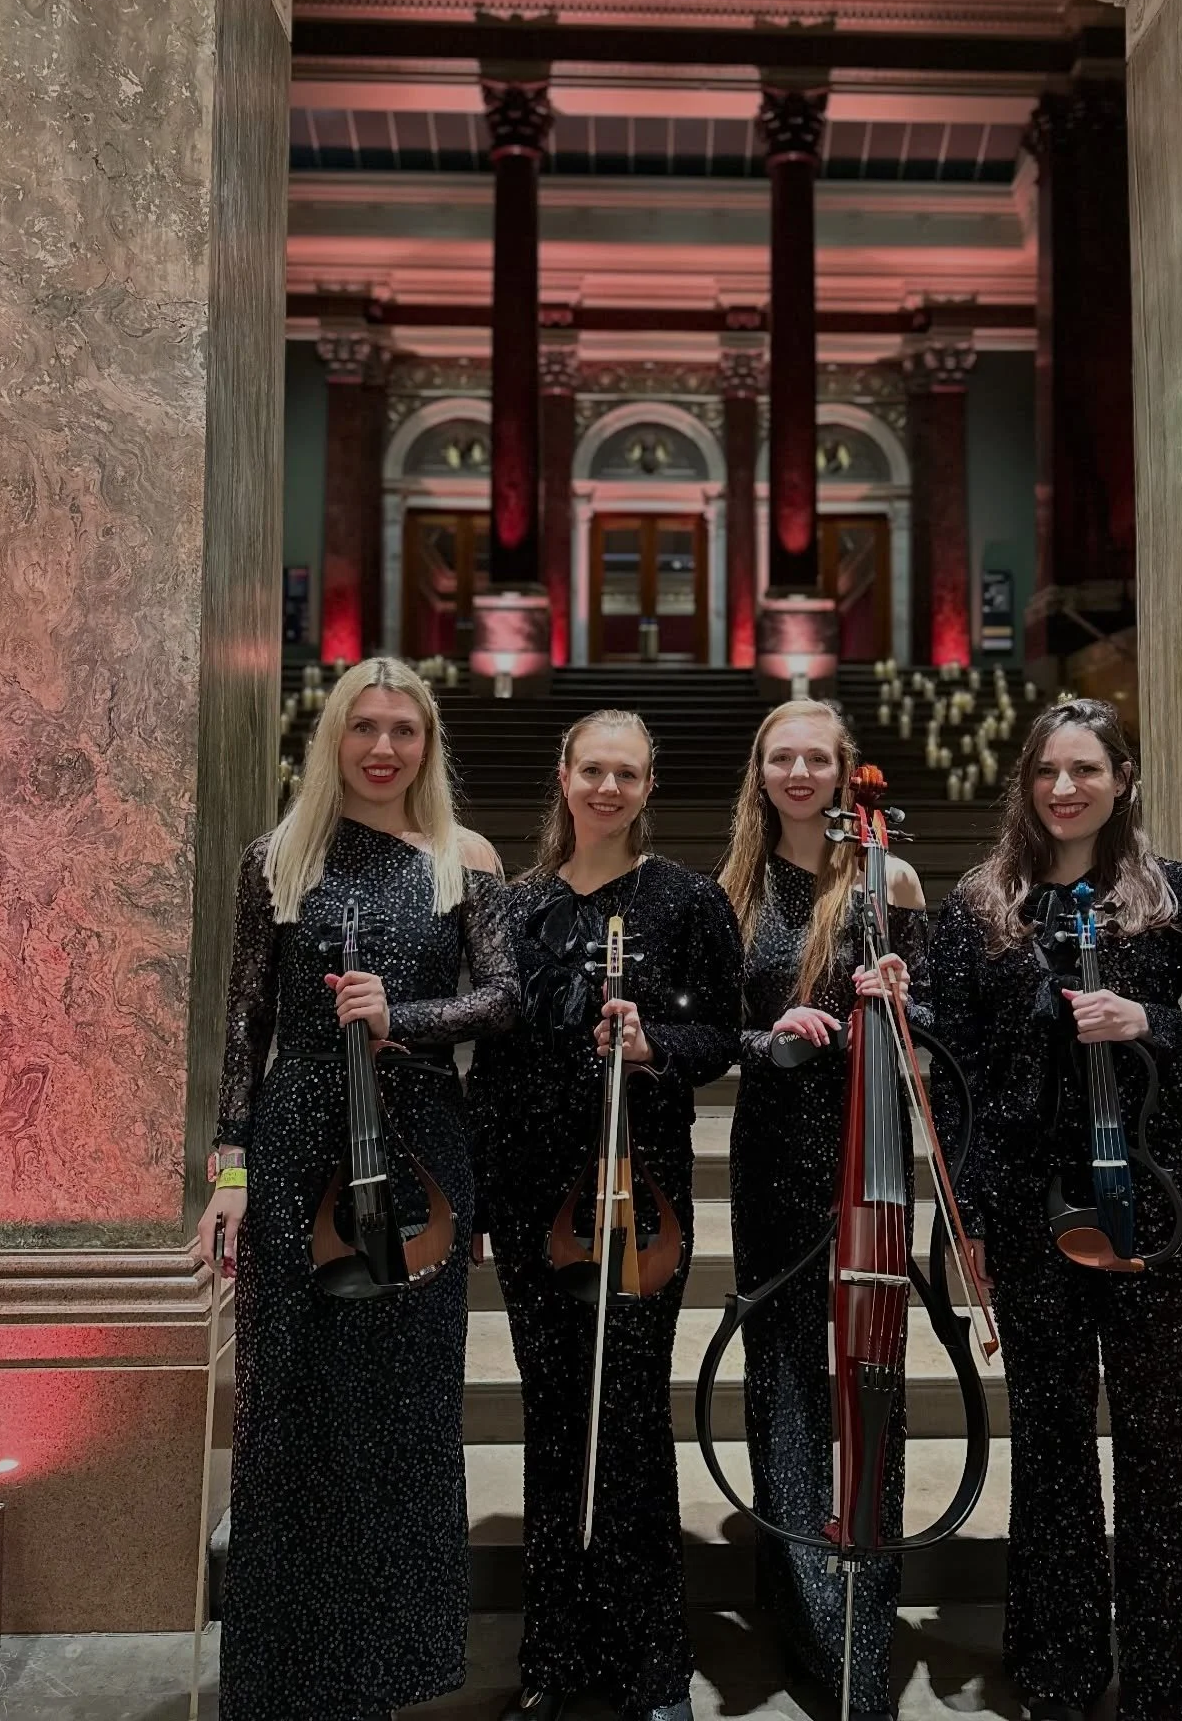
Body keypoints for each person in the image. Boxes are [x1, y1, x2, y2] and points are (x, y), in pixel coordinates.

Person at [929, 697, 1182, 1721]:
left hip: (1162, 1200)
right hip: (1033, 1205)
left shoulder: (1177, 900)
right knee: (1052, 1437)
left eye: (1085, 770)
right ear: (1025, 784)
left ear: (1123, 779)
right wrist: (975, 1222)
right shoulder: (979, 908)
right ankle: (1061, 1669)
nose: (1064, 789)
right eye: (1046, 772)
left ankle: (1174, 1683)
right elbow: (955, 1078)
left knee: (1164, 1440)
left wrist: (1146, 1020)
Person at [195, 656, 518, 1721]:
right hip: (295, 1151)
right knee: (292, 1406)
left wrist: (403, 1019)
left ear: (428, 745)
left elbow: (504, 999)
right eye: (364, 728)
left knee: (406, 1410)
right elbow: (246, 1027)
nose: (384, 748)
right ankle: (287, 1673)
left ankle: (393, 1665)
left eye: (405, 731)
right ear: (332, 737)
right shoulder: (276, 858)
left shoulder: (463, 858)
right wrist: (231, 1166)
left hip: (421, 1146)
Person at [468, 708, 742, 1721]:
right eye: (593, 769)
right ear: (564, 772)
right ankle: (555, 1659)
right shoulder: (516, 906)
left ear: (648, 785)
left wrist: (654, 1046)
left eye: (627, 773)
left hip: (641, 1196)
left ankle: (649, 1665)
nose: (608, 788)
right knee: (552, 1416)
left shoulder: (687, 901)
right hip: (532, 1192)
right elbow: (491, 1061)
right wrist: (492, 1193)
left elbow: (725, 1035)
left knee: (627, 1417)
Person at [716, 700, 929, 1721]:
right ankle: (808, 1617)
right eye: (782, 756)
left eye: (818, 757)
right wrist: (773, 1037)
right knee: (787, 1383)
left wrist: (897, 995)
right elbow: (712, 1036)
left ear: (848, 773)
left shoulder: (890, 879)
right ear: (761, 773)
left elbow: (932, 1022)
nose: (801, 771)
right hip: (770, 1160)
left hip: (872, 1156)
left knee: (874, 1381)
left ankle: (869, 1615)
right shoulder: (734, 894)